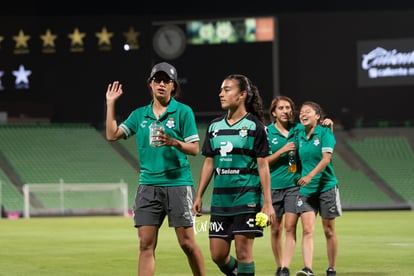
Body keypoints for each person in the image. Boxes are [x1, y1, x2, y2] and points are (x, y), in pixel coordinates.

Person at [105, 62, 205, 276]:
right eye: (156, 80)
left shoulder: (183, 112)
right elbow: (112, 135)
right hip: (148, 185)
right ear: (150, 84)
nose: (161, 84)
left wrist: (174, 142)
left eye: (166, 81)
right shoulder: (139, 115)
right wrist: (110, 104)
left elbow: (195, 149)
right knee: (145, 245)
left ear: (173, 86)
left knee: (187, 243)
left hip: (178, 184)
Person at [192, 74, 275, 276]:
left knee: (244, 252)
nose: (221, 94)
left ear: (242, 95)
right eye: (221, 89)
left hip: (246, 197)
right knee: (218, 255)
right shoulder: (214, 127)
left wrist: (267, 202)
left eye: (227, 89)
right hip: (221, 200)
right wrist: (199, 195)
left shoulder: (255, 127)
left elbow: (263, 166)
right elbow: (209, 162)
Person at [267, 96, 334, 276]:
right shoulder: (267, 132)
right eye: (281, 108)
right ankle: (279, 264)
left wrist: (328, 124)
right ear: (273, 112)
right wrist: (282, 151)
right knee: (275, 229)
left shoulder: (298, 129)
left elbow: (319, 132)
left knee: (290, 227)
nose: (286, 111)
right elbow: (262, 162)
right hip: (273, 186)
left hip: (294, 186)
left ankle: (285, 269)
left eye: (288, 108)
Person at [295, 101, 342, 276]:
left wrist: (308, 176)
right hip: (306, 191)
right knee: (307, 230)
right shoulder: (298, 132)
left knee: (328, 230)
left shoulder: (324, 133)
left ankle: (331, 268)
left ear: (317, 116)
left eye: (307, 111)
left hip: (326, 187)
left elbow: (326, 159)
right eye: (301, 112)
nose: (303, 114)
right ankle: (308, 269)